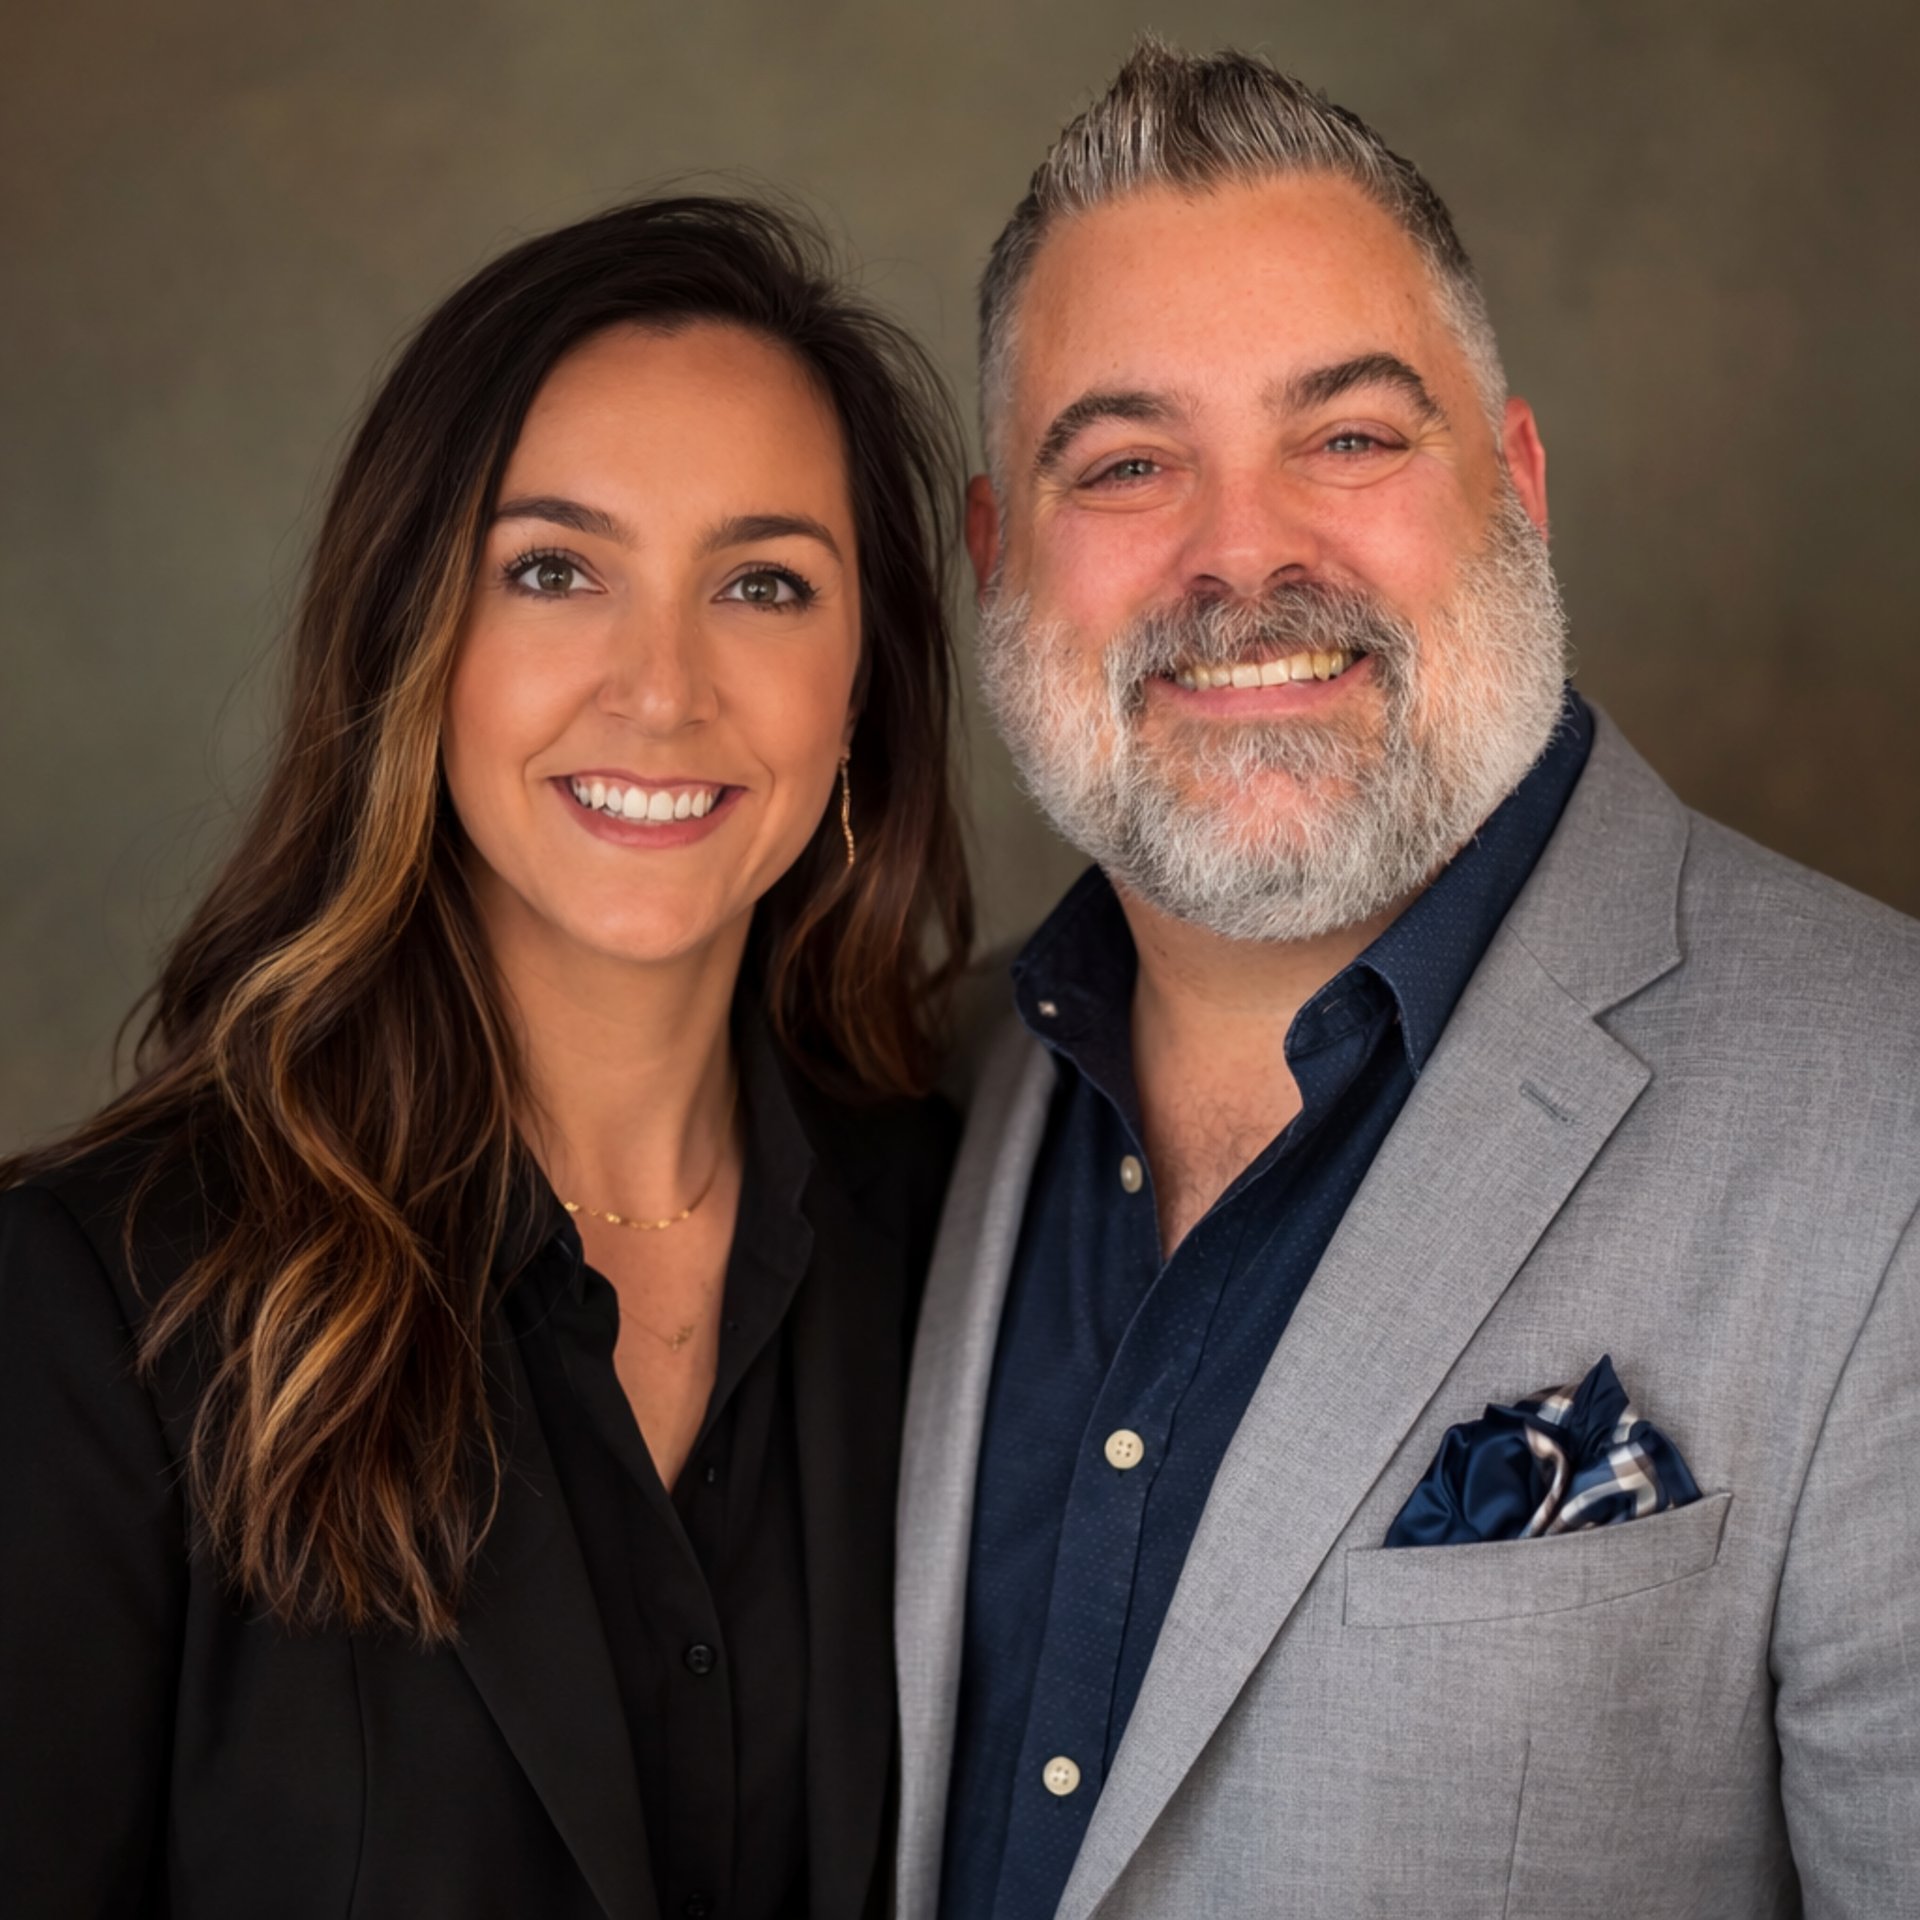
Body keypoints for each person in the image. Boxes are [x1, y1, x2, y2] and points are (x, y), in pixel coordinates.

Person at [897, 40, 1920, 1920]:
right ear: (993, 559)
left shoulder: (1888, 1123)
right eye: (1126, 463)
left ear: (1516, 483)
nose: (1247, 556)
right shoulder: (910, 1096)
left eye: (1351, 435)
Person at [0, 194, 973, 1919]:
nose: (661, 688)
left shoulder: (973, 1251)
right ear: (412, 640)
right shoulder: (94, 1311)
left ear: (863, 689)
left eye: (762, 584)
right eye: (554, 571)